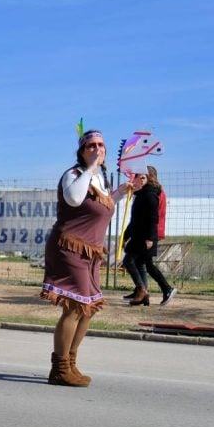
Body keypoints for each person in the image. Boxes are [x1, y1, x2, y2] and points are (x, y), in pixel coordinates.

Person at [40, 126, 145, 386]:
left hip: (92, 252)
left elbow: (104, 205)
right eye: (91, 146)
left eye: (100, 145)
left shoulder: (101, 181)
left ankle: (71, 362)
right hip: (69, 248)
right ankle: (60, 368)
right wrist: (90, 169)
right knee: (75, 307)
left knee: (89, 308)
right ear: (82, 152)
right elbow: (75, 199)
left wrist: (124, 190)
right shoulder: (74, 174)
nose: (97, 149)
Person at [122, 165, 175, 306]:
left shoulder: (151, 194)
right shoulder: (142, 194)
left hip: (146, 236)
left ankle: (147, 290)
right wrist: (125, 236)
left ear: (148, 178)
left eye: (141, 177)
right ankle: (150, 291)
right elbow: (135, 220)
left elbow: (153, 218)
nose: (136, 180)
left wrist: (150, 237)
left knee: (131, 261)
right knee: (144, 263)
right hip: (140, 235)